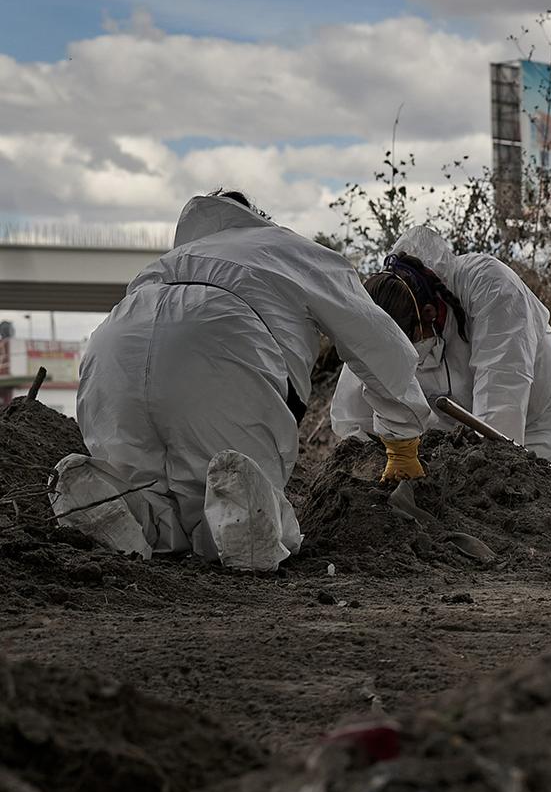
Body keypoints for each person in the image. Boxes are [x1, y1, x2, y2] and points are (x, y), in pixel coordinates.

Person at [50, 191, 430, 570]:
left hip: (113, 349)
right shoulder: (289, 249)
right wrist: (401, 436)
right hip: (221, 341)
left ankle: (115, 503)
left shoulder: (170, 259)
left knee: (144, 484)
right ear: (258, 217)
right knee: (238, 478)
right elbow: (377, 341)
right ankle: (248, 519)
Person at [331, 225, 551, 462]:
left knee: (508, 490)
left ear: (429, 313)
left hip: (535, 424)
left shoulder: (492, 287)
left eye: (409, 343)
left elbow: (503, 388)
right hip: (450, 433)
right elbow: (353, 414)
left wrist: (491, 466)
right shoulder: (383, 312)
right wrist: (369, 458)